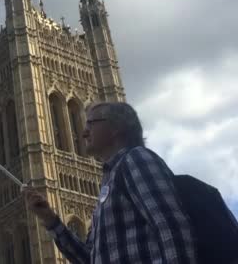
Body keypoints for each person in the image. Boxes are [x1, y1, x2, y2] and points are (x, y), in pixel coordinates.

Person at [22, 102, 196, 263]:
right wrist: (50, 219)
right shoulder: (109, 182)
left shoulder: (136, 159)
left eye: (91, 123)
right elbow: (89, 258)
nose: (84, 132)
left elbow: (171, 226)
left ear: (116, 128)